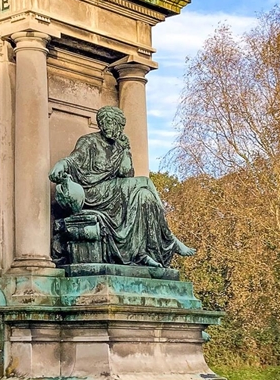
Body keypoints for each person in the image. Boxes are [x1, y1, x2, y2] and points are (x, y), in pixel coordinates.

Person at [49, 106, 196, 267]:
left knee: (145, 196)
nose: (109, 127)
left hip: (114, 195)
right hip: (92, 192)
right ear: (101, 123)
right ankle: (170, 238)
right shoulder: (89, 141)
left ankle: (142, 253)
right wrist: (61, 165)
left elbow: (126, 173)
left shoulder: (119, 146)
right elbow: (73, 159)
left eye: (114, 124)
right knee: (145, 182)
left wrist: (126, 150)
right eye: (107, 122)